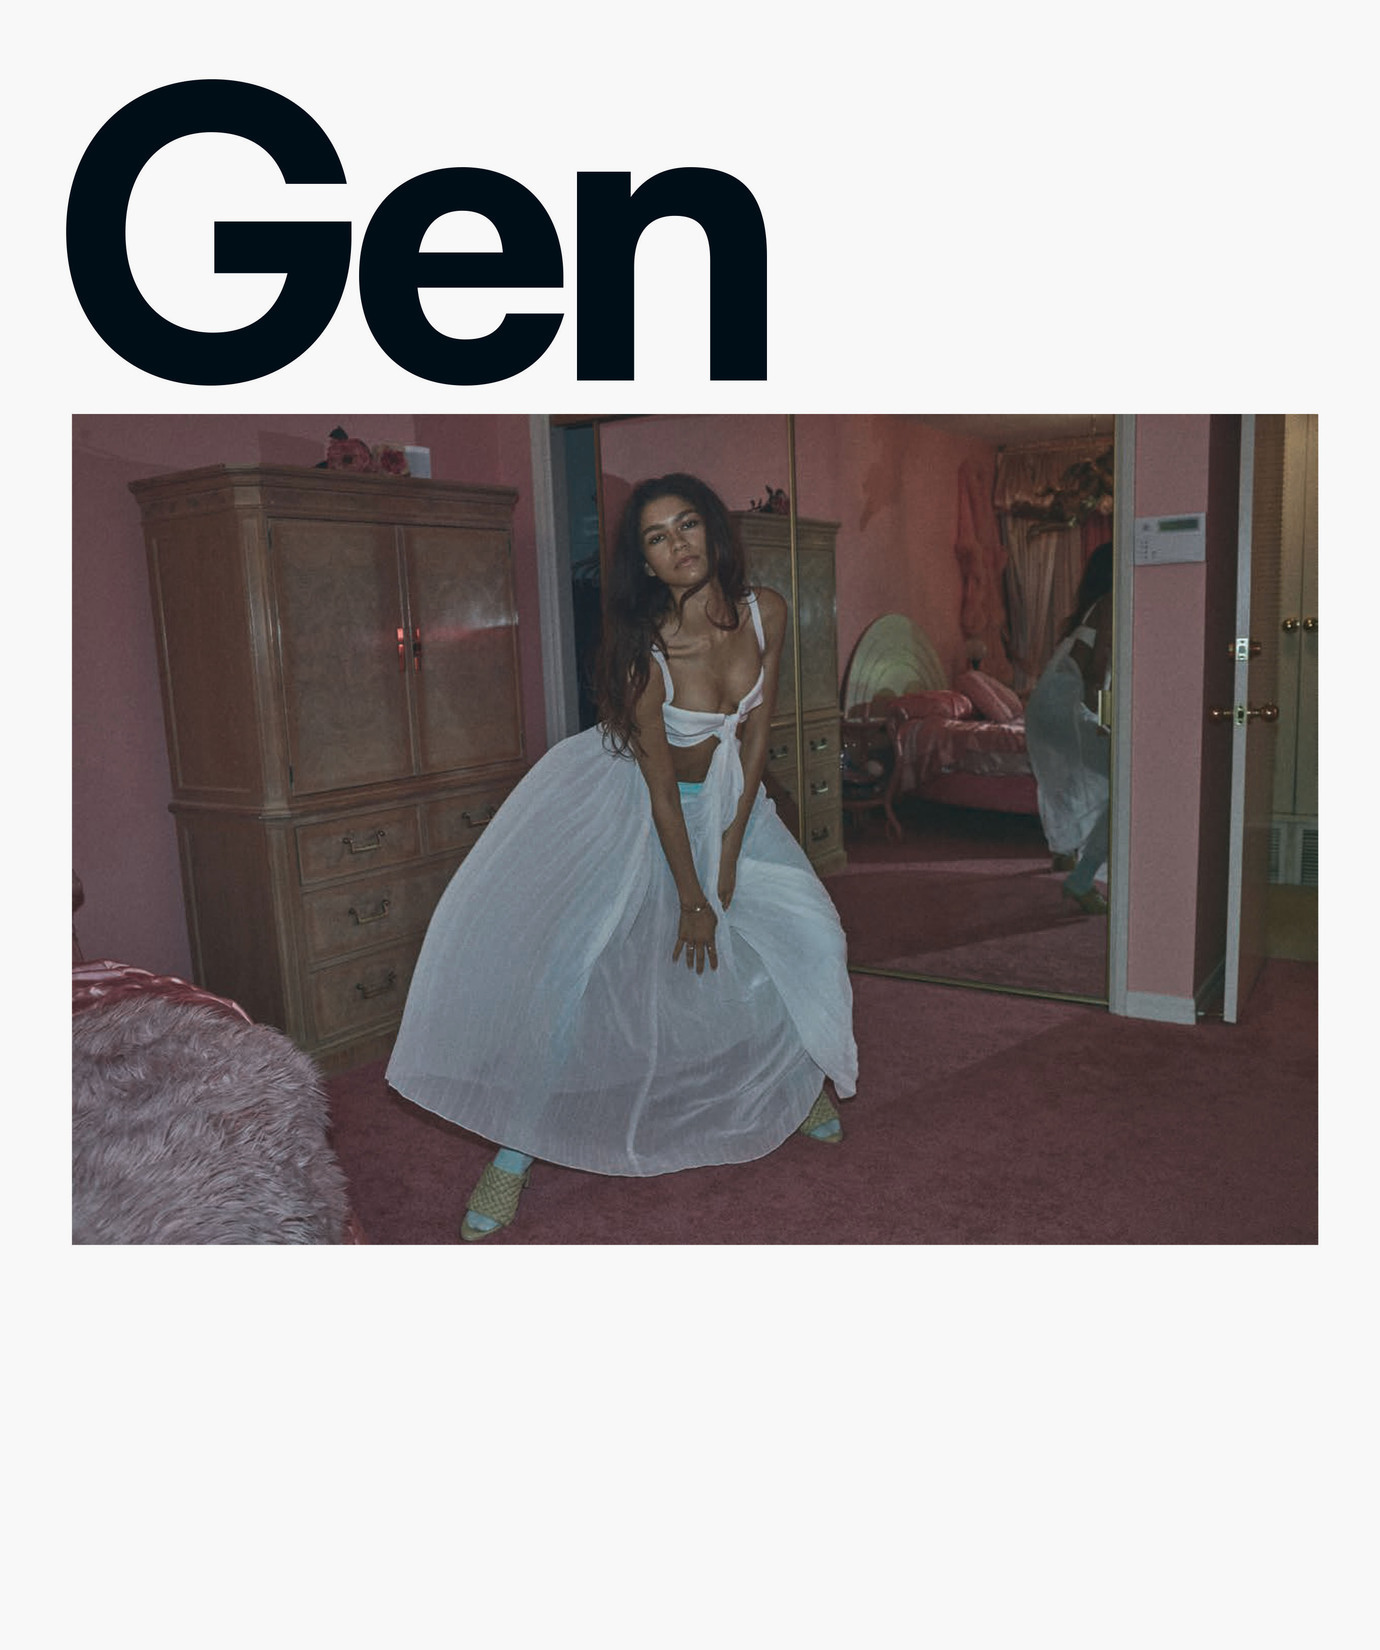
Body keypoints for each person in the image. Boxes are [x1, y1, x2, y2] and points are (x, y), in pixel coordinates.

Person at [385, 473, 859, 1239]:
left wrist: (729, 859)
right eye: (656, 538)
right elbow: (661, 791)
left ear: (712, 530)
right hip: (640, 811)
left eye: (687, 525)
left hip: (738, 806)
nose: (678, 546)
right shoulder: (646, 652)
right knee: (585, 971)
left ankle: (796, 1084)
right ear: (644, 562)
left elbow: (755, 738)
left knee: (807, 938)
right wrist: (695, 898)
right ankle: (513, 1155)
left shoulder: (765, 611)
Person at [1023, 542, 1114, 915]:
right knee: (1128, 787)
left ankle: (1064, 853)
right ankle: (1081, 877)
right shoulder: (1110, 604)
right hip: (1064, 713)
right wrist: (1106, 722)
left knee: (1074, 777)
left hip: (1045, 711)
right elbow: (1095, 676)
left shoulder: (1088, 610)